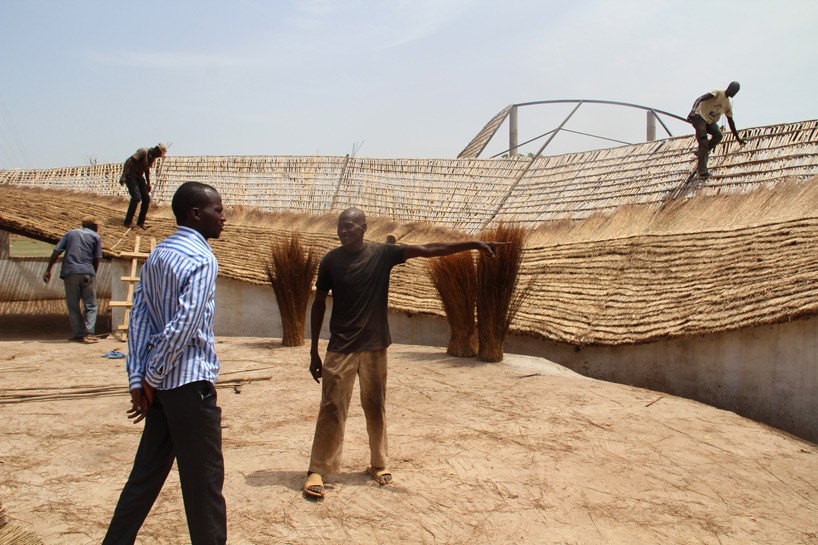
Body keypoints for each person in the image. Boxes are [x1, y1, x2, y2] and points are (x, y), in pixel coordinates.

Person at [303, 207, 504, 498]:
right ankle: (317, 470)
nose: (344, 231)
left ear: (363, 227)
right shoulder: (330, 262)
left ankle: (378, 464)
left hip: (375, 346)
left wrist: (472, 244)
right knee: (332, 408)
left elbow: (429, 249)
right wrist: (313, 351)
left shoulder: (383, 254)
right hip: (341, 348)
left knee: (375, 408)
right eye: (340, 226)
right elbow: (319, 304)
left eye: (350, 225)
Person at [102, 181, 227, 545]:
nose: (224, 216)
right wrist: (151, 378)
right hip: (188, 388)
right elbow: (184, 327)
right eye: (218, 210)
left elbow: (139, 318)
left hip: (161, 393)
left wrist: (138, 379)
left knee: (144, 478)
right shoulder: (202, 259)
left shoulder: (158, 254)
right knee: (204, 488)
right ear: (196, 214)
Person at [43, 216, 102, 344]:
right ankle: (90, 333)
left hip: (70, 273)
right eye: (97, 226)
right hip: (87, 272)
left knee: (73, 305)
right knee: (91, 304)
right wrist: (93, 273)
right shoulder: (95, 237)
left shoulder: (70, 234)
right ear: (93, 226)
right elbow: (96, 258)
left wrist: (48, 270)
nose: (97, 228)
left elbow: (57, 251)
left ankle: (78, 335)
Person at [687, 81, 746, 179]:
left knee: (719, 135)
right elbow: (700, 99)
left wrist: (738, 138)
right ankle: (702, 171)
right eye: (734, 90)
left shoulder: (727, 105)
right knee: (703, 139)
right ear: (730, 88)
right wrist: (692, 111)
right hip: (699, 116)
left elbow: (731, 122)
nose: (735, 93)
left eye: (736, 91)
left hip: (710, 122)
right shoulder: (717, 93)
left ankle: (701, 152)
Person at [120, 143, 167, 228]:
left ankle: (140, 222)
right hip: (131, 175)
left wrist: (148, 183)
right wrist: (123, 175)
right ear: (156, 150)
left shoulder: (152, 158)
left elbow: (147, 170)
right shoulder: (143, 151)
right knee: (136, 197)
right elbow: (129, 161)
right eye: (159, 155)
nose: (159, 157)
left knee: (146, 199)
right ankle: (128, 222)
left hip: (139, 177)